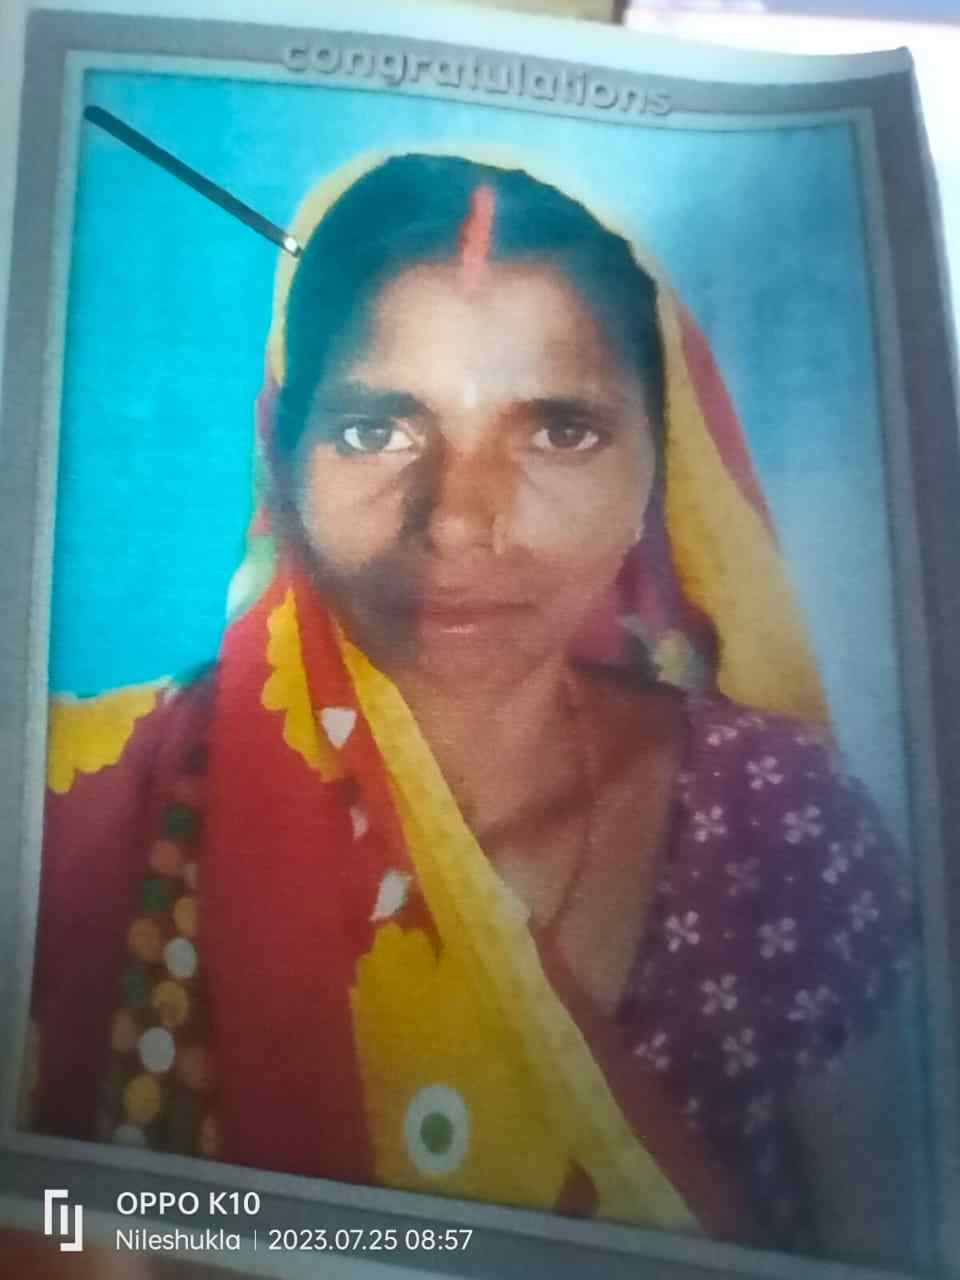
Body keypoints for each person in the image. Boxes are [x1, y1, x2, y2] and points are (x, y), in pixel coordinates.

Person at [27, 151, 916, 1255]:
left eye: (559, 431)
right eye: (375, 430)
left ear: (660, 473)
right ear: (279, 455)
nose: (457, 520)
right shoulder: (98, 804)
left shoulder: (772, 819)